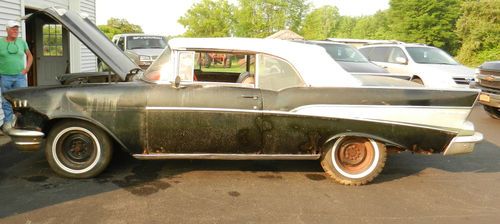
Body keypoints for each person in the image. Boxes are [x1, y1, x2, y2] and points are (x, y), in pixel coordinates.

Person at [0, 20, 33, 132]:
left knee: (22, 99)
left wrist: (26, 69)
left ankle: (21, 122)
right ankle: (8, 123)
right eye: (13, 28)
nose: (15, 30)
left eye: (17, 28)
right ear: (7, 30)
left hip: (20, 76)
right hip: (5, 76)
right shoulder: (0, 42)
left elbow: (30, 56)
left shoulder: (22, 42)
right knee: (6, 100)